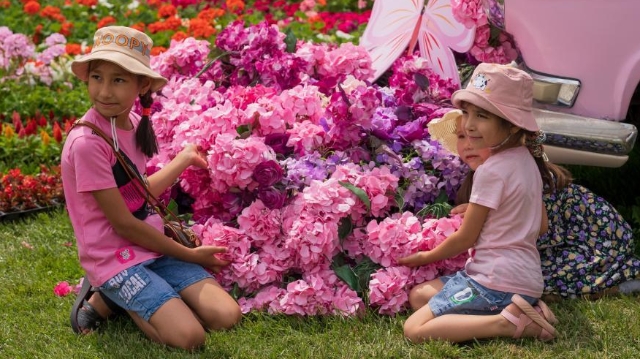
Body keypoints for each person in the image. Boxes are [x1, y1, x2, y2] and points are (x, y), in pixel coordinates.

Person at [62, 26, 241, 350]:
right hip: (114, 257)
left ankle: (121, 299)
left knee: (227, 315)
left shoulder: (131, 122)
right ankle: (112, 296)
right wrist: (189, 254)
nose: (104, 91)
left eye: (118, 80)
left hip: (151, 247)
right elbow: (125, 224)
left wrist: (185, 158)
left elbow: (136, 194)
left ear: (141, 85)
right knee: (189, 338)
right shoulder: (88, 143)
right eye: (97, 77)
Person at [398, 63, 558, 344]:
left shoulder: (490, 171)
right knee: (419, 296)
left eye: (481, 115)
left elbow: (465, 239)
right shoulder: (527, 162)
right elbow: (541, 225)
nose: (470, 125)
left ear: (511, 124)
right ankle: (527, 310)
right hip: (528, 282)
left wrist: (424, 258)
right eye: (467, 113)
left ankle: (504, 323)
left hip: (494, 283)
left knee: (414, 329)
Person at [431, 109, 640, 302]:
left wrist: (487, 216)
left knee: (530, 284)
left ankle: (619, 285)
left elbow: (538, 230)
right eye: (461, 136)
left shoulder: (521, 172)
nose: (468, 144)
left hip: (594, 238)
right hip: (553, 241)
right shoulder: (484, 173)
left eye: (476, 136)